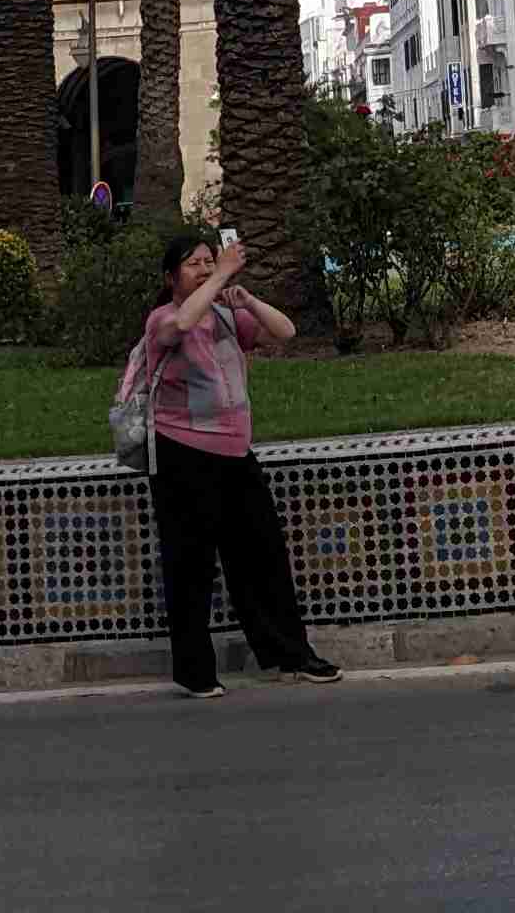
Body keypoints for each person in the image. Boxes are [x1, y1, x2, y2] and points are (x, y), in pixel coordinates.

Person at [135, 226, 339, 698]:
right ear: (171, 277)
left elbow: (285, 332)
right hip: (182, 453)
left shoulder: (227, 318)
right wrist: (222, 274)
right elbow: (183, 325)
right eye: (194, 263)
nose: (205, 268)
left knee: (263, 557)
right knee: (190, 565)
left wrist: (246, 300)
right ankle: (195, 671)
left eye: (210, 260)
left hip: (235, 454)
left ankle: (290, 654)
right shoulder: (162, 319)